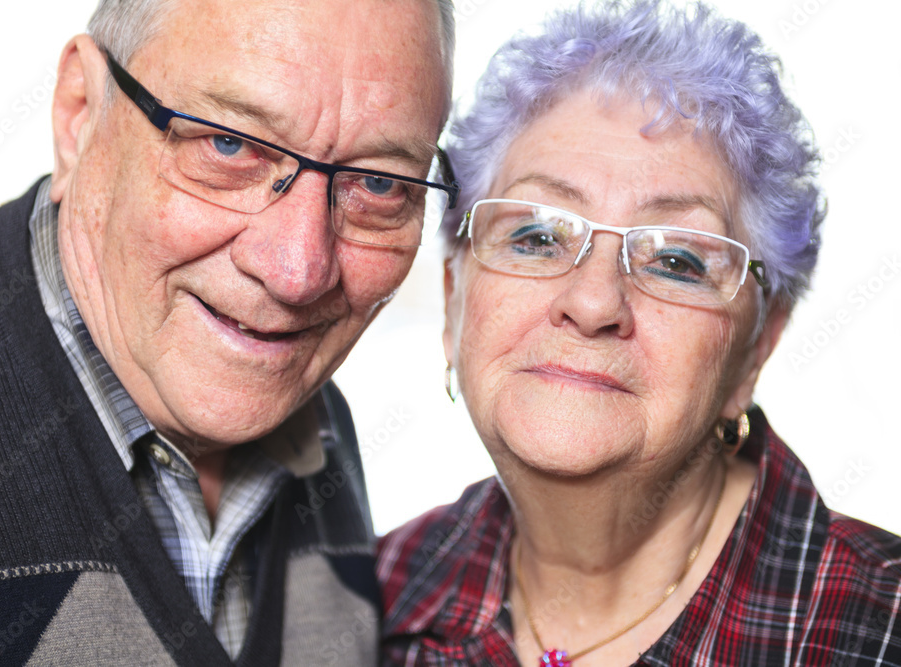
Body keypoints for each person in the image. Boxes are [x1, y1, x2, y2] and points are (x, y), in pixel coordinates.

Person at [0, 0, 458, 664]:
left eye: (376, 183)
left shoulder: (320, 422)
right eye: (229, 144)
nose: (299, 272)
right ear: (82, 113)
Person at [377, 1, 901, 665]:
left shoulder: (880, 626)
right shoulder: (368, 600)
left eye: (677, 261)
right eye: (536, 236)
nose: (593, 302)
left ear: (757, 346)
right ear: (455, 300)